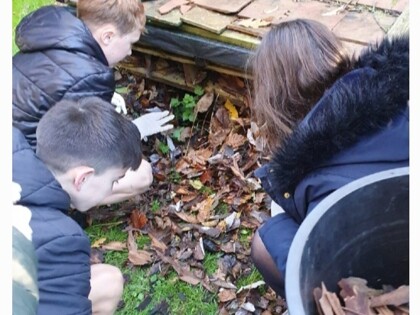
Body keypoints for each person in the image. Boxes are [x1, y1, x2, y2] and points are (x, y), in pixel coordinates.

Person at [248, 19, 409, 297]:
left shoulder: (309, 173)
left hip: (379, 282)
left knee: (267, 239)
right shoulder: (396, 103)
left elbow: (327, 270)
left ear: (275, 102)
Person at [13, 0, 174, 206]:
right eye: (130, 43)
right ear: (108, 36)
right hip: (22, 172)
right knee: (142, 175)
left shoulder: (52, 33)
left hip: (13, 145)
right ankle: (61, 203)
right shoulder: (92, 76)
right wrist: (136, 130)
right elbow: (88, 145)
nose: (129, 52)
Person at [13, 96, 143, 314]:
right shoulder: (61, 240)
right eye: (114, 180)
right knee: (109, 281)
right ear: (82, 178)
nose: (112, 190)